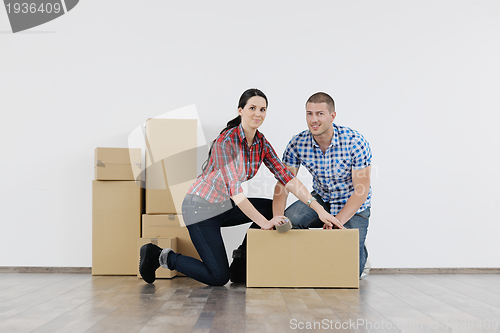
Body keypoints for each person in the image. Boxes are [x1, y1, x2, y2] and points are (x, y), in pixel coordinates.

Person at [139, 88, 345, 286]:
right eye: (252, 108)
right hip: (199, 209)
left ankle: (241, 261)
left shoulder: (261, 142)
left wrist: (318, 210)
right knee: (218, 277)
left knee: (272, 209)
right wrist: (265, 224)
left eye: (262, 109)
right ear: (241, 111)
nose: (258, 114)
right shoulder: (225, 143)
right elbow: (236, 194)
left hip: (223, 206)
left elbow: (286, 177)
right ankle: (159, 255)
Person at [273, 92, 372, 278]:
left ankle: (361, 252)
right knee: (291, 219)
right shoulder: (297, 142)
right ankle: (311, 260)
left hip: (352, 205)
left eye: (319, 113)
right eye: (309, 113)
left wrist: (337, 222)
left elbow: (361, 190)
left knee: (348, 274)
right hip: (322, 199)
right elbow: (283, 184)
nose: (313, 119)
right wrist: (277, 220)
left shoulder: (355, 142)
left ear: (332, 116)